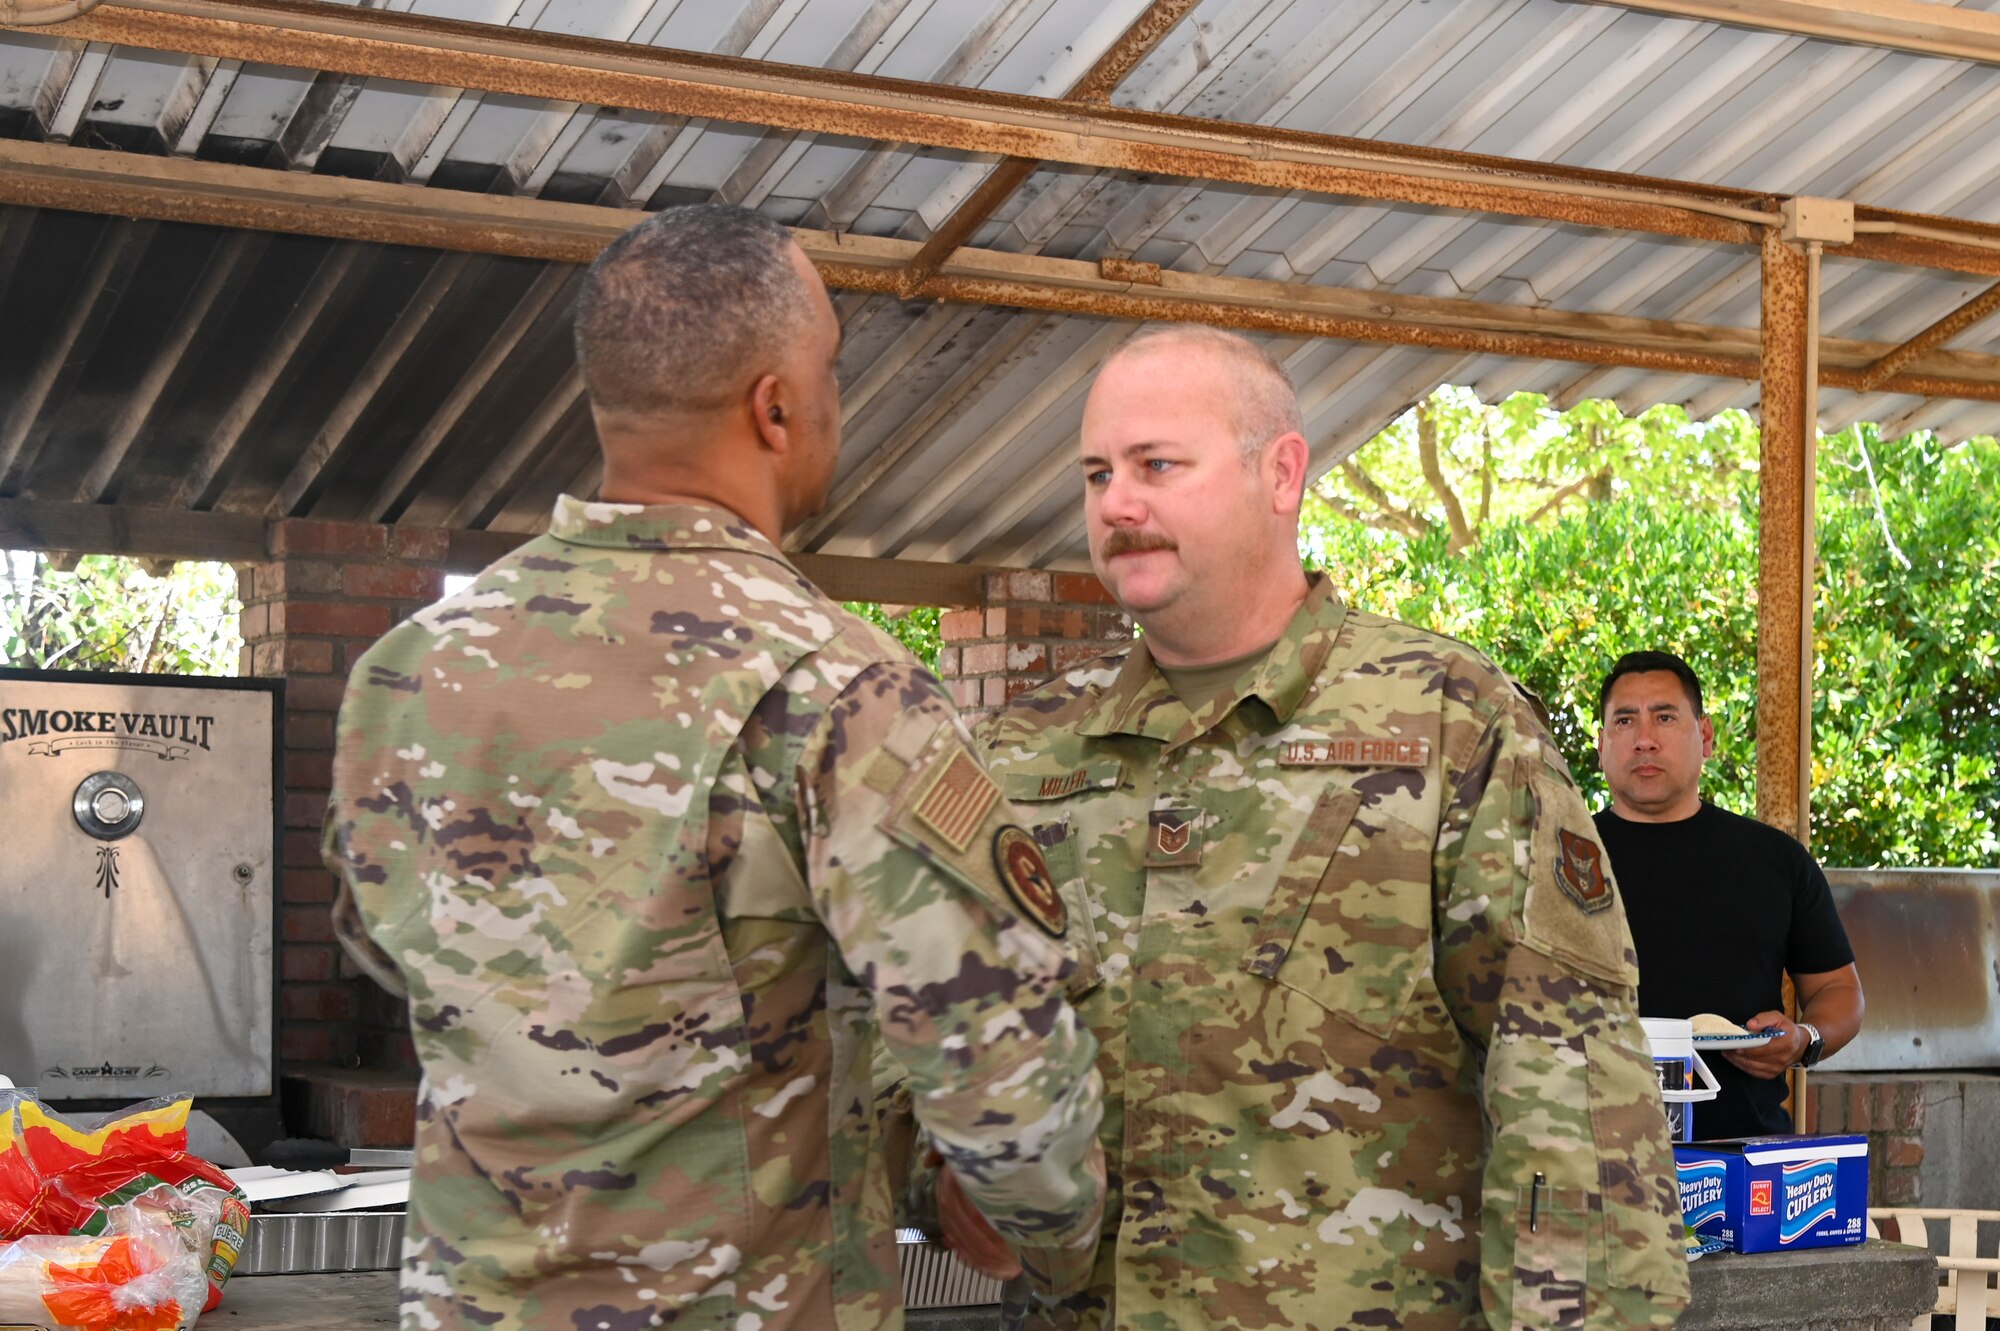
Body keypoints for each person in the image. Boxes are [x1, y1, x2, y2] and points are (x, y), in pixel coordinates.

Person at [323, 204, 1105, 1331]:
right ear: (776, 406)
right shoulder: (836, 686)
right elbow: (997, 1073)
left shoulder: (405, 671)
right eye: (830, 368)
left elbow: (383, 949)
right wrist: (1061, 1246)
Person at [942, 325, 1690, 1330]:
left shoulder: (1444, 719)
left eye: (1157, 464)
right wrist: (943, 1173)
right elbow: (934, 1027)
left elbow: (1570, 1088)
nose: (1116, 503)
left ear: (1280, 472)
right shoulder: (1025, 750)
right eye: (1095, 473)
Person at [1594, 649, 1864, 1140]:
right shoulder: (1556, 859)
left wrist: (1805, 1038)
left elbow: (1839, 992)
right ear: (1601, 744)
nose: (1645, 740)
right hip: (1585, 1157)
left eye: (1665, 717)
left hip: (1742, 1162)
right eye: (1625, 721)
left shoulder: (1776, 861)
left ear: (1706, 736)